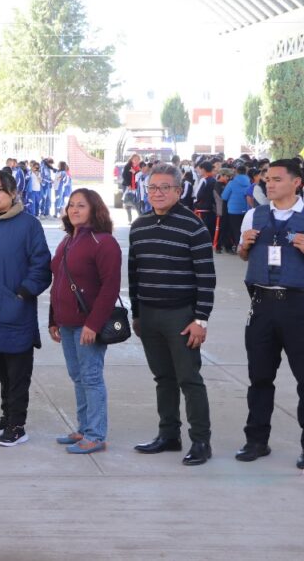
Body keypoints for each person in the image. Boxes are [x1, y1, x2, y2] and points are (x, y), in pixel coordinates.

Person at [236, 159, 304, 470]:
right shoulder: (252, 216)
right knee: (259, 376)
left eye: (276, 179)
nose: (269, 184)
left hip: (298, 306)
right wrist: (244, 247)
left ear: (296, 183)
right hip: (261, 303)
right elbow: (244, 255)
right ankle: (256, 440)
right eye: (266, 179)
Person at [129, 163, 216, 466]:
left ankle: (201, 441)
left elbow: (206, 277)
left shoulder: (193, 226)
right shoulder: (139, 227)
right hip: (149, 316)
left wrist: (200, 319)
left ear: (179, 191)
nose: (158, 193)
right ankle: (168, 435)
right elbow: (134, 274)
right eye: (153, 187)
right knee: (162, 378)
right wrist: (137, 315)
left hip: (182, 317)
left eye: (166, 187)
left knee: (189, 379)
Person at [0, 170, 52, 447]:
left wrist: (23, 292)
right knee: (2, 369)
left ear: (13, 193)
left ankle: (17, 425)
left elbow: (41, 264)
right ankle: (6, 416)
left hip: (16, 308)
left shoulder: (29, 225)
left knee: (18, 373)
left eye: (0, 190)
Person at [48, 189, 121, 455]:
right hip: (66, 324)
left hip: (88, 324)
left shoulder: (104, 242)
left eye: (81, 205)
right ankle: (83, 427)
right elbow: (59, 282)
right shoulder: (68, 241)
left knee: (91, 378)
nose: (74, 210)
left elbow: (110, 288)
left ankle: (95, 434)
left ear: (94, 209)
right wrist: (53, 319)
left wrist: (93, 324)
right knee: (77, 377)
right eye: (71, 205)